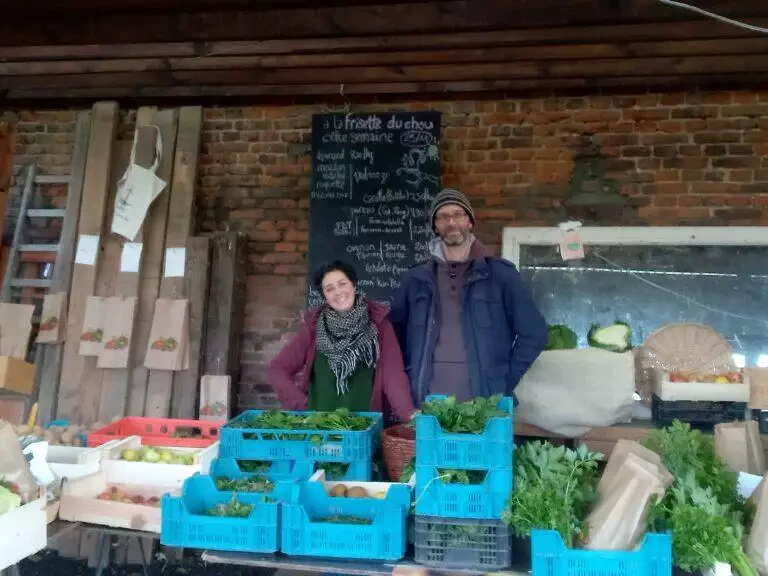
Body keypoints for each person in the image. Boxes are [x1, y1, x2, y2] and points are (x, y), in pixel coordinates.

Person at [389, 188, 548, 405]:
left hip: (485, 405)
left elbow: (534, 333)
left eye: (458, 215)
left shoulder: (501, 274)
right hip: (425, 405)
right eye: (443, 217)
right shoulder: (415, 280)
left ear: (470, 221)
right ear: (435, 226)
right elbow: (392, 339)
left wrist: (505, 380)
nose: (451, 222)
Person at [268, 260, 417, 422]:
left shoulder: (379, 324)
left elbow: (393, 376)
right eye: (330, 289)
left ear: (353, 285)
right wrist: (302, 405)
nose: (338, 292)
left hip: (365, 427)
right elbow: (278, 368)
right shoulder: (314, 328)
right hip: (320, 427)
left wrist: (409, 414)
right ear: (324, 295)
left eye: (342, 284)